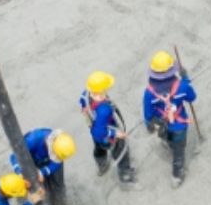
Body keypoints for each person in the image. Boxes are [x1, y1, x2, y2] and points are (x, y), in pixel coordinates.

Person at [143, 51, 197, 188]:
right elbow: (192, 97)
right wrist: (185, 78)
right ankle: (177, 176)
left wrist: (151, 125)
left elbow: (148, 115)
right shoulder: (182, 87)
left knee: (166, 137)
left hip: (162, 125)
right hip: (179, 125)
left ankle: (168, 143)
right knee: (179, 151)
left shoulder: (149, 93)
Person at [79, 71, 135, 184]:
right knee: (120, 149)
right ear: (100, 93)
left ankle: (102, 165)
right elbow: (100, 132)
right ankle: (125, 175)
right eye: (105, 90)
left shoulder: (85, 94)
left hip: (94, 126)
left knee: (99, 148)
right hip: (105, 132)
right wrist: (116, 134)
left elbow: (83, 107)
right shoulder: (104, 109)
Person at [11, 129, 77, 205]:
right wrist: (19, 171)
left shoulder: (61, 146)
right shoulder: (32, 140)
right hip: (32, 164)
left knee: (58, 183)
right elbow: (14, 156)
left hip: (49, 164)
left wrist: (43, 172)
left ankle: (61, 203)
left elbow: (57, 162)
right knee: (33, 188)